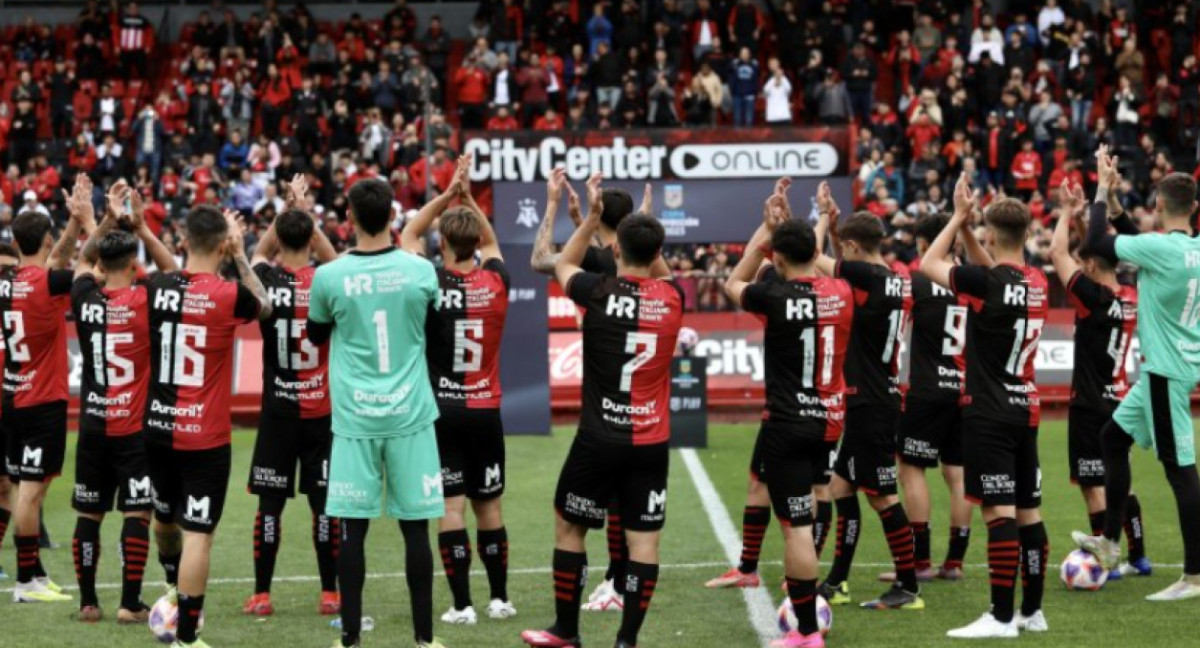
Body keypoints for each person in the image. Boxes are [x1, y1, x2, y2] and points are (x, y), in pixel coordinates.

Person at [520, 173, 682, 648]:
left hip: (599, 437)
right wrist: (645, 225)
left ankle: (566, 632)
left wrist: (588, 217)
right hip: (650, 442)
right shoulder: (673, 297)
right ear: (657, 254)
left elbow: (561, 262)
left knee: (570, 525)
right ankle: (626, 641)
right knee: (644, 542)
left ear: (614, 251)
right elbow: (660, 267)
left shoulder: (596, 291)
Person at [307, 178, 446, 648]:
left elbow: (314, 336)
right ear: (393, 217)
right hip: (410, 414)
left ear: (348, 219)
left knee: (353, 531)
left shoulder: (329, 276)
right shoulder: (421, 271)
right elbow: (439, 331)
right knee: (415, 530)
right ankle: (424, 639)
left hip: (355, 419)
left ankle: (350, 639)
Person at [722, 181, 853, 648]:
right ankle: (808, 603)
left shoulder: (772, 297)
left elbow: (733, 282)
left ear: (775, 258)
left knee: (795, 526)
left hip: (787, 424)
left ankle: (806, 634)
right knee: (817, 502)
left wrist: (766, 231)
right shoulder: (842, 291)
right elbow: (812, 258)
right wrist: (806, 228)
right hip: (830, 421)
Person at [922, 173, 1050, 638]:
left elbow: (928, 262)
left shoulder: (988, 282)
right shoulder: (1037, 281)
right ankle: (1032, 612)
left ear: (993, 235)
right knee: (1029, 513)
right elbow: (993, 271)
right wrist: (972, 232)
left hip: (989, 411)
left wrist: (957, 217)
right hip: (1026, 408)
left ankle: (1000, 618)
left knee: (998, 514)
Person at [1073, 154, 1200, 602]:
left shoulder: (1161, 248)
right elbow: (1134, 240)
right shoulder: (1191, 249)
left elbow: (1094, 243)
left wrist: (1102, 193)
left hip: (1166, 373)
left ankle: (1194, 577)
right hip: (1165, 372)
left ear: (1160, 206)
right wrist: (1117, 205)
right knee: (1112, 439)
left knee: (1181, 473)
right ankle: (1110, 542)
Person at [145, 204, 272, 648]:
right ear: (223, 243)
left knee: (164, 519)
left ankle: (169, 584)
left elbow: (170, 275)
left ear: (183, 241)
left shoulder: (157, 286)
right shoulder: (229, 294)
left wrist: (144, 230)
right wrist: (240, 255)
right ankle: (186, 637)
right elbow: (266, 306)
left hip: (157, 429)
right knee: (199, 534)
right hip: (205, 437)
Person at [400, 157, 517, 624]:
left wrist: (448, 194)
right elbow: (488, 240)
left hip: (441, 409)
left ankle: (462, 605)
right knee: (490, 505)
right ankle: (499, 599)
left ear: (443, 242)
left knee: (451, 507)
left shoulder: (427, 279)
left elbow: (409, 234)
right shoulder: (496, 281)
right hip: (485, 408)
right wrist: (467, 201)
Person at [529, 176, 652, 613]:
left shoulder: (595, 263)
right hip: (645, 394)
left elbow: (543, 258)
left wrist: (554, 204)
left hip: (606, 388)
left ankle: (616, 582)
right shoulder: (648, 264)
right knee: (630, 502)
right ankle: (620, 581)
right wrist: (592, 218)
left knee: (587, 509)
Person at [69, 179, 179, 623]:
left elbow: (80, 259)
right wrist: (140, 224)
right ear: (134, 264)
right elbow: (174, 271)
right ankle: (130, 603)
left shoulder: (84, 297)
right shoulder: (146, 298)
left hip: (93, 424)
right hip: (134, 427)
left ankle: (88, 602)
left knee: (88, 513)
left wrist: (107, 218)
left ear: (101, 263)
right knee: (137, 510)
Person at [811, 191, 921, 611]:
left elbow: (811, 258)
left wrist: (824, 218)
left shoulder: (866, 278)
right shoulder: (896, 275)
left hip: (871, 400)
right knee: (841, 487)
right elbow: (846, 265)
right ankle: (838, 581)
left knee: (882, 496)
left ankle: (909, 587)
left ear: (853, 248)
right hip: (880, 393)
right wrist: (838, 226)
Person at [242, 176, 341, 618]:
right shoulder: (327, 279)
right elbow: (335, 258)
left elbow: (257, 254)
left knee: (269, 506)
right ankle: (330, 593)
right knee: (324, 505)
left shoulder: (266, 278)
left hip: (278, 409)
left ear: (282, 237)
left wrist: (285, 213)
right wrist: (305, 213)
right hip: (319, 409)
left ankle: (262, 594)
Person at [1049, 172, 1149, 580]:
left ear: (1090, 266)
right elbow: (1090, 254)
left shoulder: (1090, 298)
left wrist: (1064, 213)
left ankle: (1106, 558)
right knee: (1119, 477)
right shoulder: (1128, 294)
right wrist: (1080, 221)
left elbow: (1057, 254)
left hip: (1090, 403)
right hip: (1120, 398)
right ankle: (1139, 555)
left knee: (1093, 483)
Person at [2, 177, 91, 603]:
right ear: (49, 238)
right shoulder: (50, 283)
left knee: (20, 487)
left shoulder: (6, 281)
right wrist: (90, 221)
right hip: (41, 400)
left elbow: (50, 259)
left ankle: (32, 573)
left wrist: (71, 225)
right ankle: (25, 583)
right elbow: (82, 262)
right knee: (31, 491)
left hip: (12, 395)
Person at [882, 214, 973, 584]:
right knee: (957, 474)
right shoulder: (972, 281)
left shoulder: (917, 280)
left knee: (911, 469)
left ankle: (919, 561)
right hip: (967, 389)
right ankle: (954, 561)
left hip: (927, 389)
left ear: (924, 243)